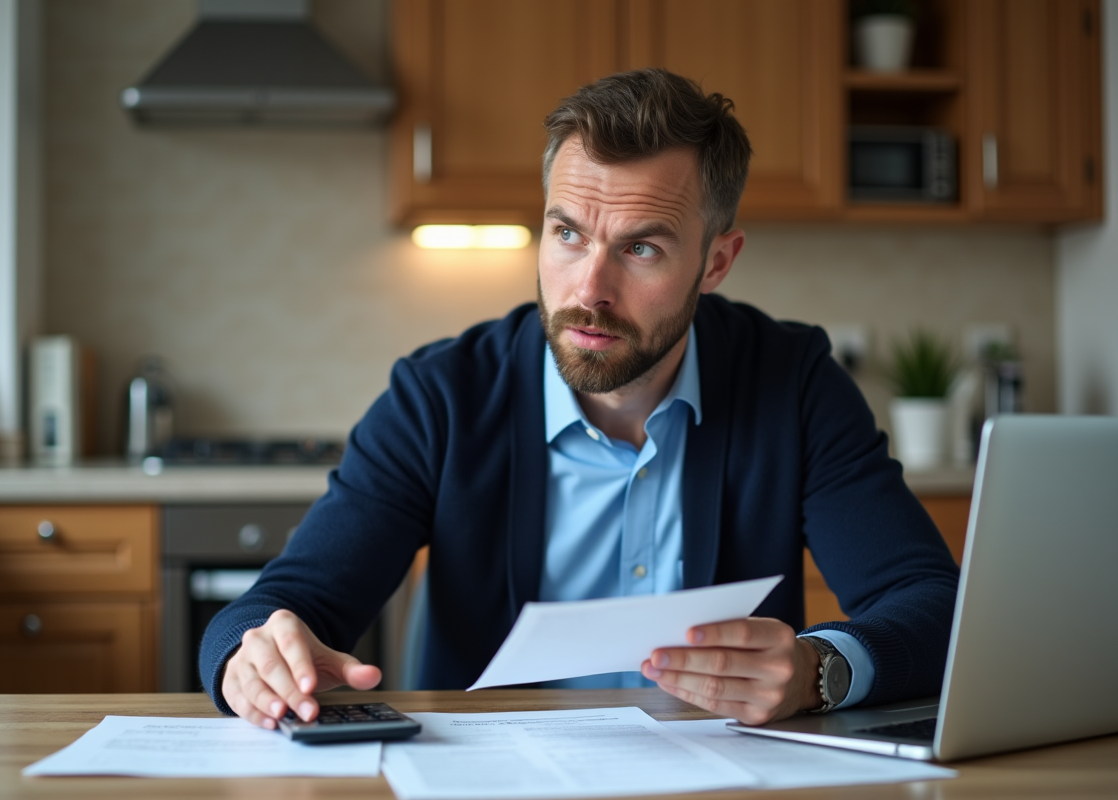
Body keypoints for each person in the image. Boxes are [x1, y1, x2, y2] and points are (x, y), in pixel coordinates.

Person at [201, 68, 959, 729]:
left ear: (717, 260)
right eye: (567, 234)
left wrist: (817, 669)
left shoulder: (791, 382)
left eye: (641, 248)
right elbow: (288, 600)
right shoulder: (440, 397)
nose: (589, 290)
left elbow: (933, 604)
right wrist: (251, 653)